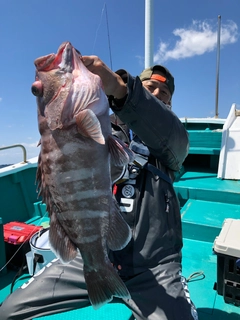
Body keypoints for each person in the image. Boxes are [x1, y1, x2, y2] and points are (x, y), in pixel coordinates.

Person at [0, 57, 198, 320]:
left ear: (169, 104)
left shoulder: (172, 140)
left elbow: (174, 140)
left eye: (164, 93)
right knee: (9, 310)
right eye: (150, 88)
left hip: (155, 267)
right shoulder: (104, 124)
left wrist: (122, 88)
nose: (158, 94)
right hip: (91, 257)